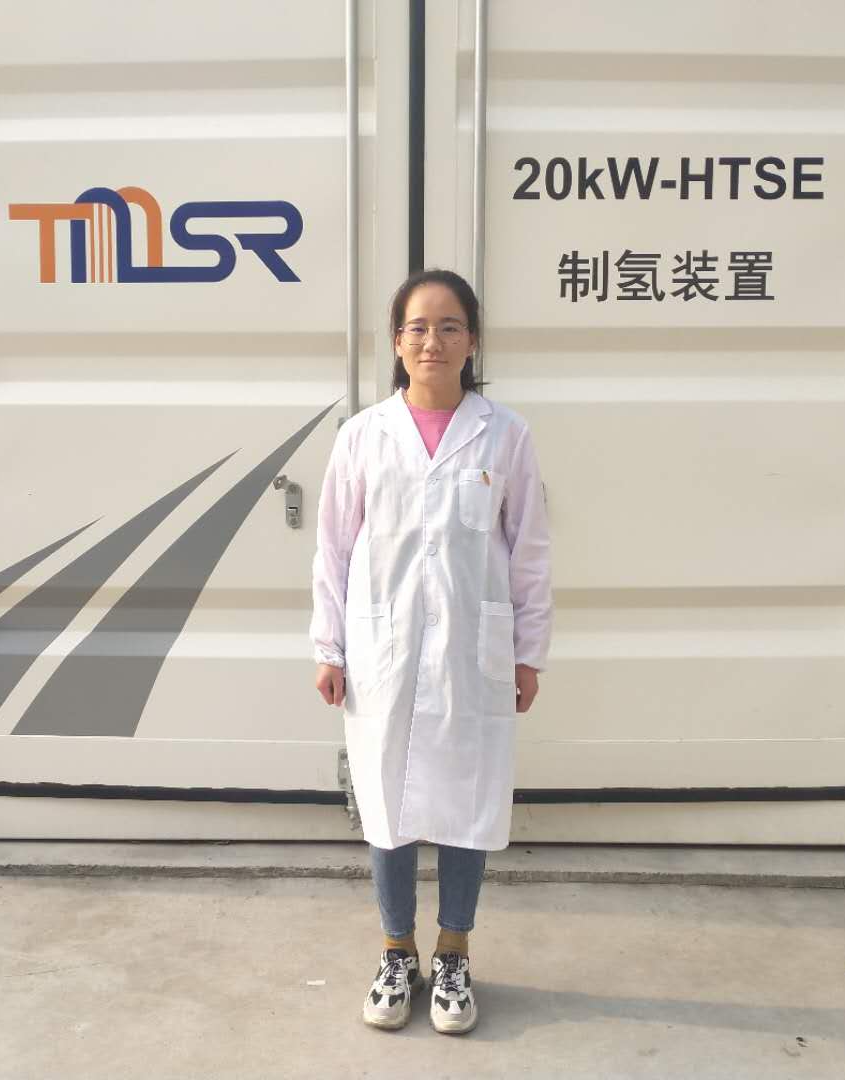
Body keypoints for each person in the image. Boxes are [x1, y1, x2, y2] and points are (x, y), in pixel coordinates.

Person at [310, 268, 553, 1034]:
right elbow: (333, 551)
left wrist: (529, 652)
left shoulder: (504, 435)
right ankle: (396, 952)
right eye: (417, 327)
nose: (432, 341)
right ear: (396, 341)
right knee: (386, 804)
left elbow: (530, 551)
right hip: (381, 651)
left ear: (471, 341)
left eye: (449, 327)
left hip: (469, 655)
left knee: (466, 806)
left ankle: (452, 954)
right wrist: (328, 646)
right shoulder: (362, 436)